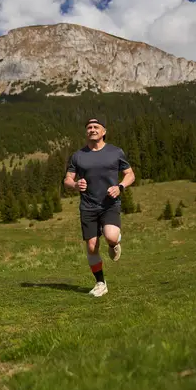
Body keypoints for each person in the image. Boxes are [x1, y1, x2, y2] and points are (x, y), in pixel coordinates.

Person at [64, 118, 135, 297]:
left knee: (111, 236)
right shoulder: (78, 156)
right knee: (92, 245)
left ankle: (114, 243)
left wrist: (120, 187)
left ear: (104, 132)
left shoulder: (115, 152)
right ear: (86, 132)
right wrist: (75, 185)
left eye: (96, 127)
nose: (92, 129)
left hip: (110, 204)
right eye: (89, 127)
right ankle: (100, 283)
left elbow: (130, 174)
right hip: (88, 206)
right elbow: (67, 179)